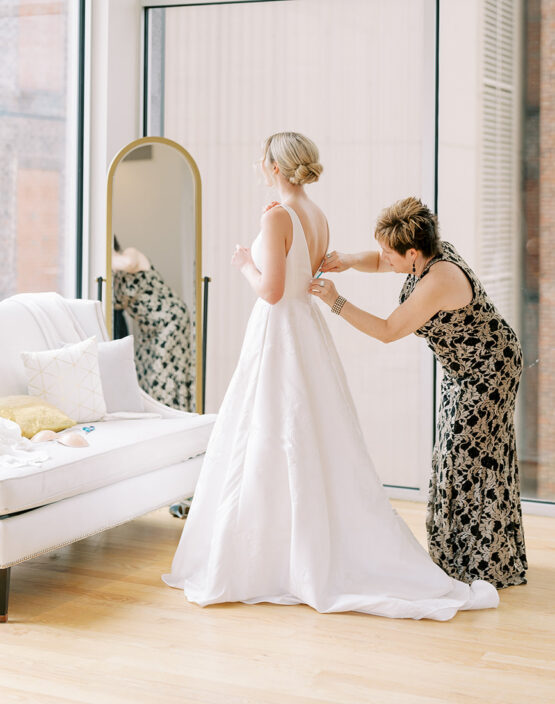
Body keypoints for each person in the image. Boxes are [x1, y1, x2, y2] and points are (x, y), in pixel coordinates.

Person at [163, 133, 499, 619]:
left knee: (270, 434)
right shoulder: (315, 214)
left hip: (280, 331)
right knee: (303, 437)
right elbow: (312, 268)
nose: (259, 166)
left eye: (262, 160)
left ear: (274, 167)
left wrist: (244, 264)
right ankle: (295, 551)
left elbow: (272, 292)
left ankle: (270, 558)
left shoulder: (278, 216)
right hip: (307, 331)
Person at [309, 196, 527, 589]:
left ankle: (482, 564)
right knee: (460, 455)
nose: (383, 258)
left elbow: (388, 330)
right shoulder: (425, 256)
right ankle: (460, 558)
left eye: (388, 252)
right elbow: (382, 263)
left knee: (467, 459)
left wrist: (335, 301)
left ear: (412, 252)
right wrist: (349, 260)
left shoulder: (439, 279)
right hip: (461, 368)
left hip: (489, 369)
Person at [112, 241, 195, 412]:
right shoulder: (113, 275)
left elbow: (128, 264)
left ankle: (170, 417)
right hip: (148, 330)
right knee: (147, 376)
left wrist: (106, 256)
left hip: (169, 320)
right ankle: (160, 417)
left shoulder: (130, 253)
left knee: (163, 373)